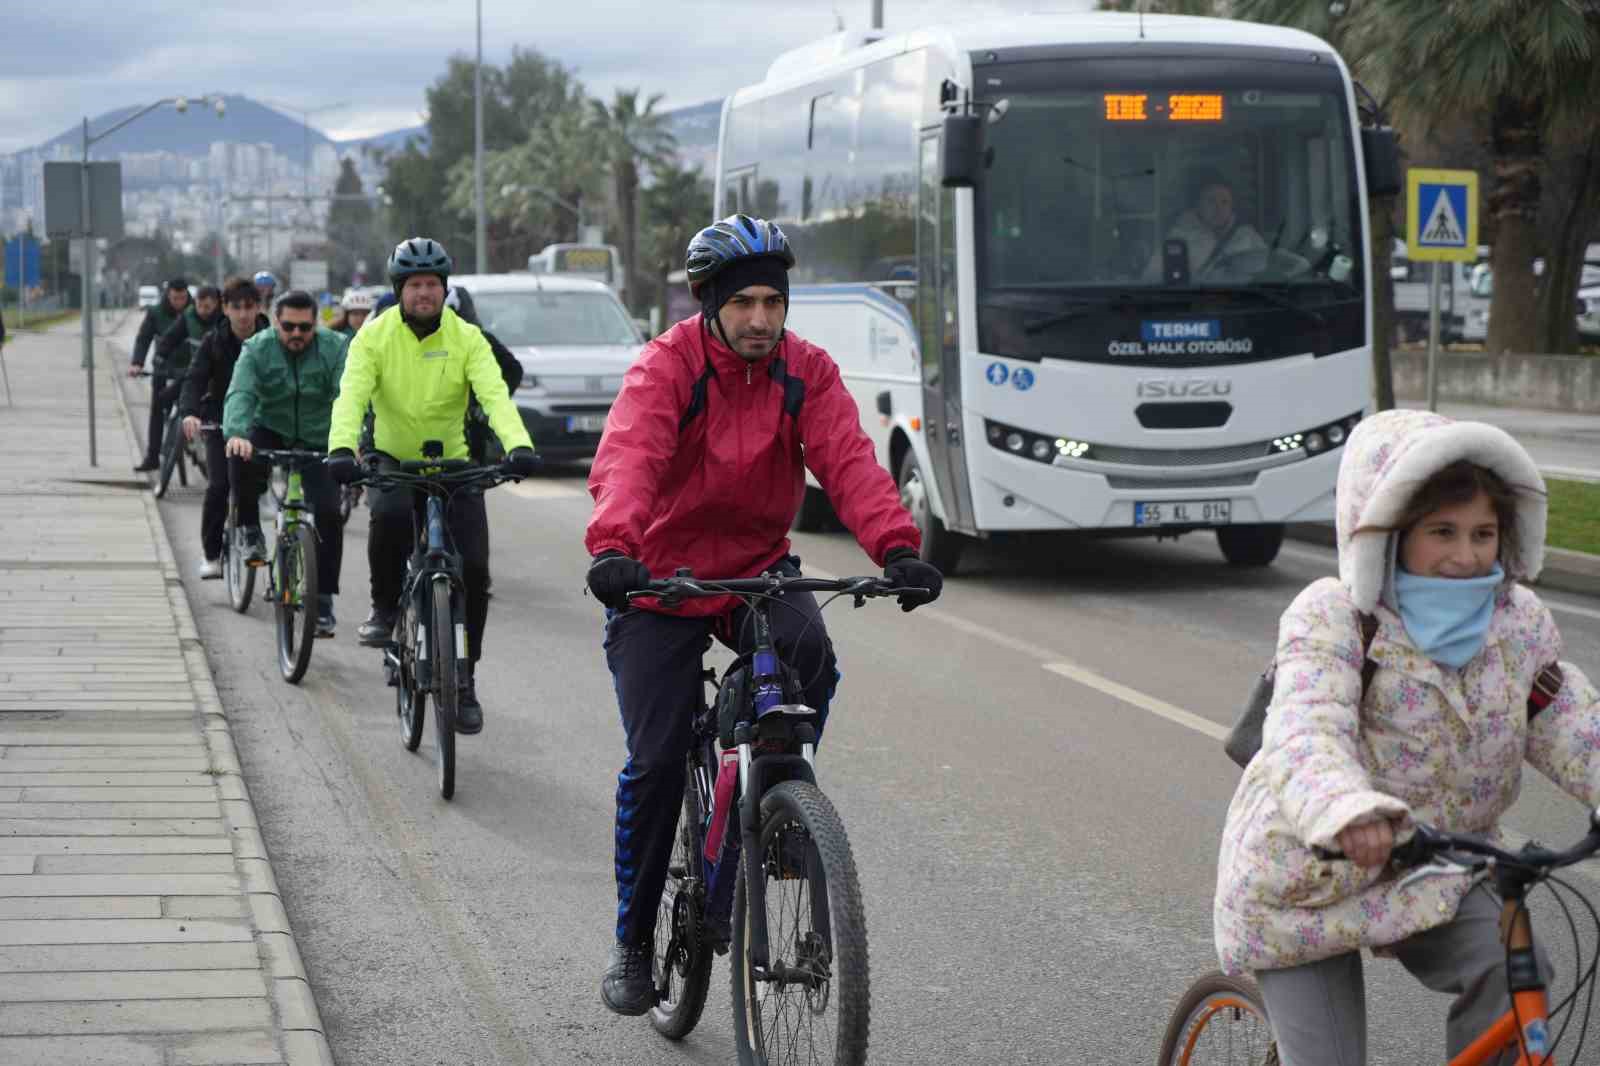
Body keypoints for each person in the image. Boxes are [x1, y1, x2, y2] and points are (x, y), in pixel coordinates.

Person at [583, 214, 945, 1015]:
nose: (758, 320)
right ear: (710, 304)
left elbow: (848, 461)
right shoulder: (668, 367)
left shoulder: (804, 371)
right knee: (651, 761)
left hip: (755, 571)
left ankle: (776, 805)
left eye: (772, 304)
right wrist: (614, 548)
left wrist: (896, 547)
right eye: (742, 303)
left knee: (811, 662)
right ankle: (634, 942)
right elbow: (630, 457)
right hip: (658, 578)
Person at [1213, 409, 1600, 1066]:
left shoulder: (1516, 623)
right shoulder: (1335, 615)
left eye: (1484, 533)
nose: (1466, 555)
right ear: (1389, 534)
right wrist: (1347, 811)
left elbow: (1568, 721)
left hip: (1432, 869)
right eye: (1441, 531)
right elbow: (1307, 732)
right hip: (1304, 884)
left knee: (1516, 974)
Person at [326, 237, 537, 736]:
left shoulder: (467, 337)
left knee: (477, 570)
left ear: (445, 289)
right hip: (393, 458)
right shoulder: (373, 337)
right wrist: (341, 448)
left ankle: (463, 678)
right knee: (392, 517)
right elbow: (351, 396)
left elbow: (493, 395)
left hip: (455, 464)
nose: (424, 293)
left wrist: (518, 445)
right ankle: (382, 608)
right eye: (415, 285)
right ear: (400, 289)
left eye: (432, 285)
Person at [222, 290, 349, 636]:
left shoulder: (336, 347)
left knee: (328, 512)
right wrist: (236, 432)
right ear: (276, 322)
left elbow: (348, 395)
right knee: (239, 453)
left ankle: (322, 600)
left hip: (318, 435)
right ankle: (248, 529)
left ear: (316, 324)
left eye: (305, 328)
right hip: (271, 428)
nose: (296, 334)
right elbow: (241, 393)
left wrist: (353, 441)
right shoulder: (257, 348)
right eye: (288, 326)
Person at [179, 277, 268, 579]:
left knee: (251, 483)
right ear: (225, 309)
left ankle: (249, 532)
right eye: (236, 307)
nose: (243, 314)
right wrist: (190, 412)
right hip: (218, 420)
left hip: (258, 420)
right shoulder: (214, 341)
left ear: (259, 307)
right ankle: (212, 553)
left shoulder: (272, 338)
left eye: (249, 307)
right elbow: (194, 379)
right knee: (219, 485)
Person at [1145, 168, 1267, 282]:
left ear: (1232, 207)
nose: (1219, 208)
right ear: (1198, 205)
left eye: (1225, 202)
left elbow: (1265, 274)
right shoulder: (1178, 239)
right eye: (1211, 201)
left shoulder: (1248, 236)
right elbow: (1152, 279)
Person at [128, 278, 192, 471]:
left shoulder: (195, 311)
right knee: (157, 410)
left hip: (190, 369)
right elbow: (144, 339)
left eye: (182, 298)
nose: (179, 302)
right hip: (163, 368)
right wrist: (137, 363)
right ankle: (152, 457)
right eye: (175, 298)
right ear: (167, 295)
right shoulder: (156, 312)